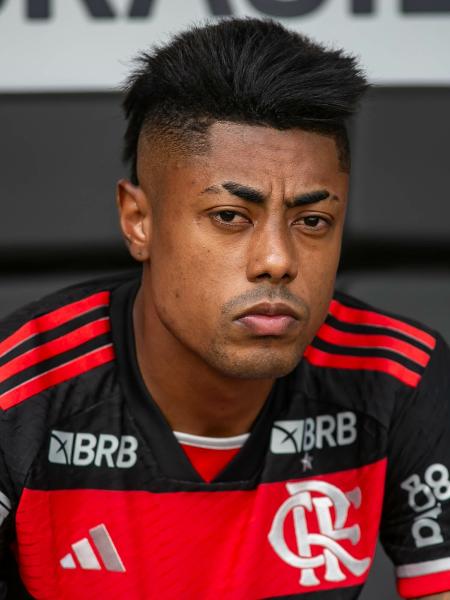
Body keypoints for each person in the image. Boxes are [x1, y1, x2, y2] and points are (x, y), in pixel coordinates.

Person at [0, 17, 449, 600]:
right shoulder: (21, 385)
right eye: (230, 217)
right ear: (139, 221)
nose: (276, 261)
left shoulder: (397, 374)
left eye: (312, 222)